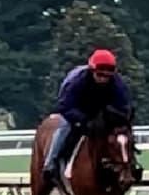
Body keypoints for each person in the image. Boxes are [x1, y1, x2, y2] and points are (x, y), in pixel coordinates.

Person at [42, 49, 133, 184]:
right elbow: (64, 107)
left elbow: (125, 107)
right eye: (100, 75)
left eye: (107, 77)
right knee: (65, 128)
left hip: (103, 113)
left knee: (123, 134)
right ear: (92, 71)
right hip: (78, 111)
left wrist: (117, 118)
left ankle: (130, 164)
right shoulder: (76, 81)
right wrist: (83, 120)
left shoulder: (118, 84)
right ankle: (50, 164)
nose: (103, 79)